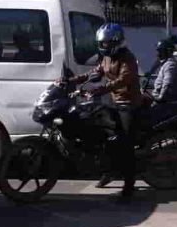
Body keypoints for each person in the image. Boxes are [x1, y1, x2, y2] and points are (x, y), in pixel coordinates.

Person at [61, 23, 143, 201]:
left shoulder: (128, 58)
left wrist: (100, 90)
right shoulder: (106, 58)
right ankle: (108, 169)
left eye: (107, 43)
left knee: (124, 143)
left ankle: (129, 185)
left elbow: (123, 79)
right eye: (102, 43)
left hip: (128, 104)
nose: (104, 47)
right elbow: (95, 72)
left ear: (116, 42)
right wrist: (71, 80)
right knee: (101, 134)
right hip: (114, 102)